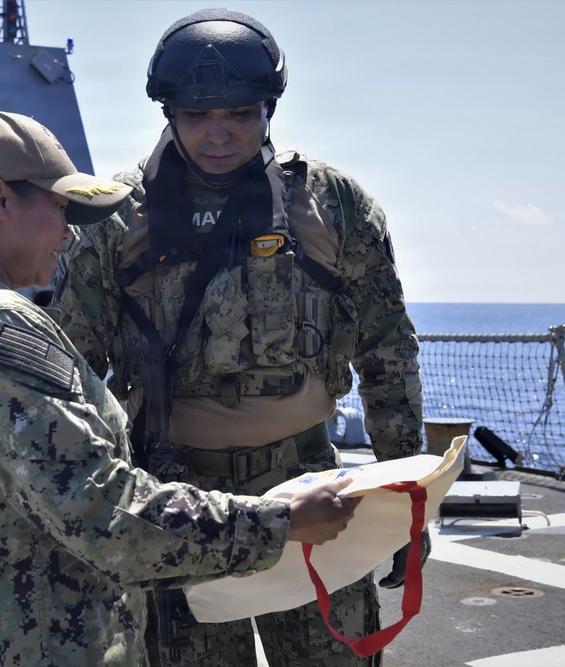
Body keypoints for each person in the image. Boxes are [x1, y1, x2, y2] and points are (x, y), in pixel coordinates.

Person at [0, 110, 360, 666]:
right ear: (0, 199)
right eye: (61, 207)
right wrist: (280, 522)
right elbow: (103, 512)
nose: (68, 232)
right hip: (48, 639)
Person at [52, 8, 426, 667]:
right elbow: (71, 387)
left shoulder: (333, 206)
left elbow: (388, 354)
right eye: (197, 116)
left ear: (268, 109)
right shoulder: (115, 221)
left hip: (315, 497)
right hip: (180, 508)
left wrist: (407, 504)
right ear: (168, 113)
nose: (218, 134)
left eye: (239, 114)